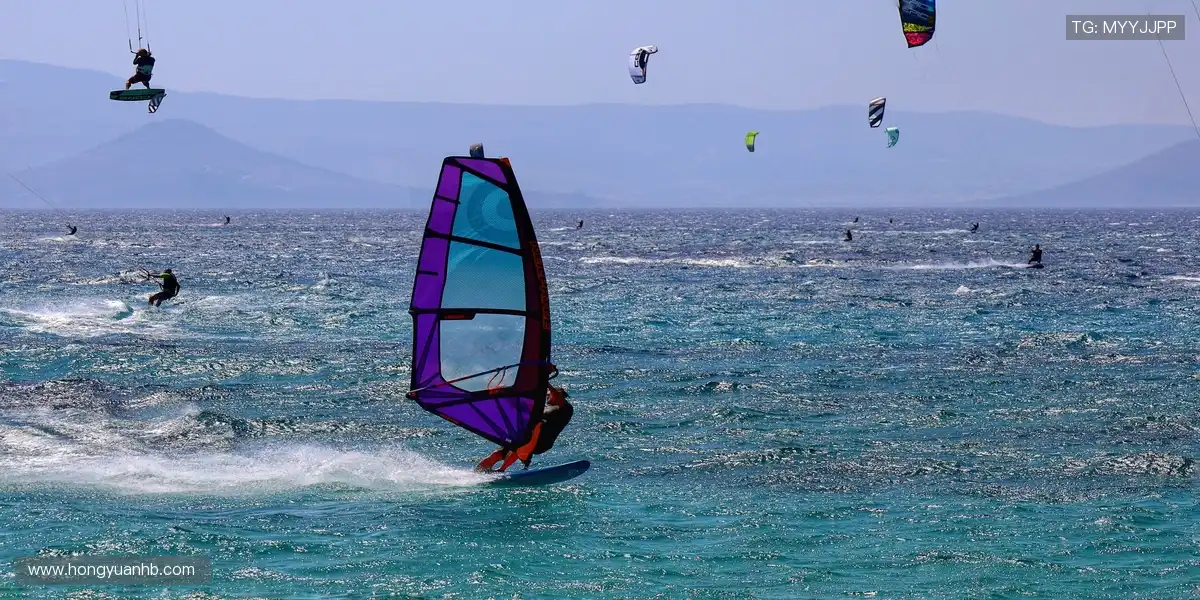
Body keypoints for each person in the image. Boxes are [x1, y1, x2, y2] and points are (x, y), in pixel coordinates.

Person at [476, 383, 574, 472]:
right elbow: (520, 407)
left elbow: (556, 394)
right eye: (547, 395)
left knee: (518, 447)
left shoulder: (565, 408)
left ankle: (501, 470)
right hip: (527, 437)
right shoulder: (543, 407)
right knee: (497, 454)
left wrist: (545, 381)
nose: (547, 396)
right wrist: (502, 393)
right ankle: (477, 474)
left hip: (542, 442)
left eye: (549, 394)